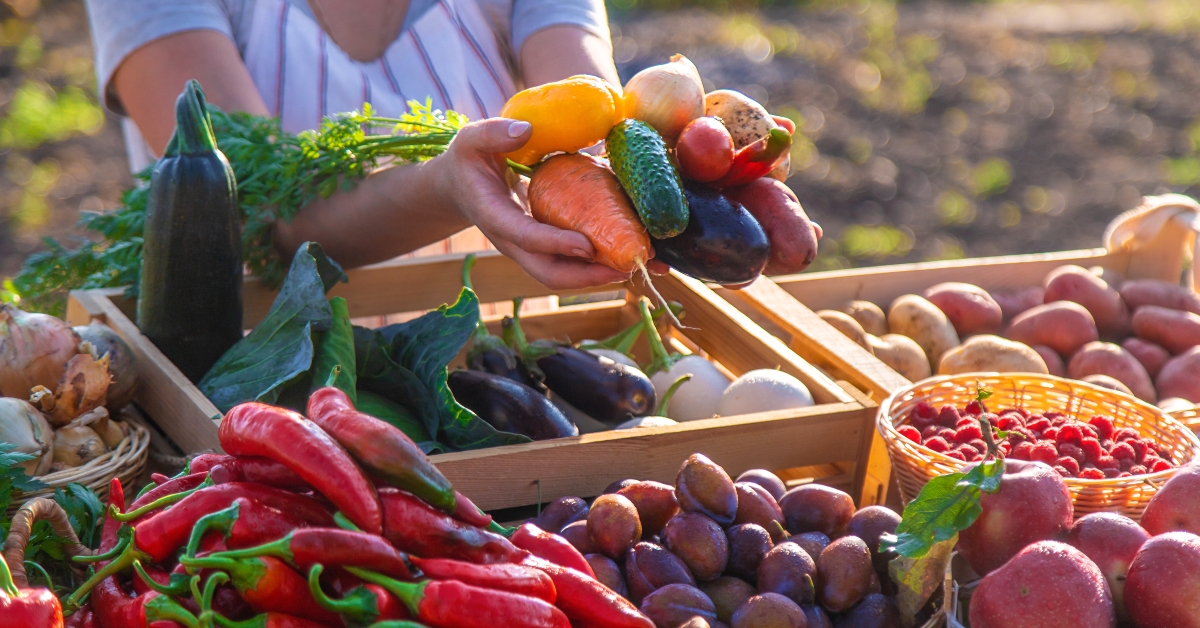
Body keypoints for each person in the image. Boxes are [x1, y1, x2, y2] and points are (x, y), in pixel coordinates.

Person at [83, 0, 819, 289]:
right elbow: (263, 218)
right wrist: (448, 186)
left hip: (498, 364)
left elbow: (594, 119)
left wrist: (683, 159)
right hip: (244, 388)